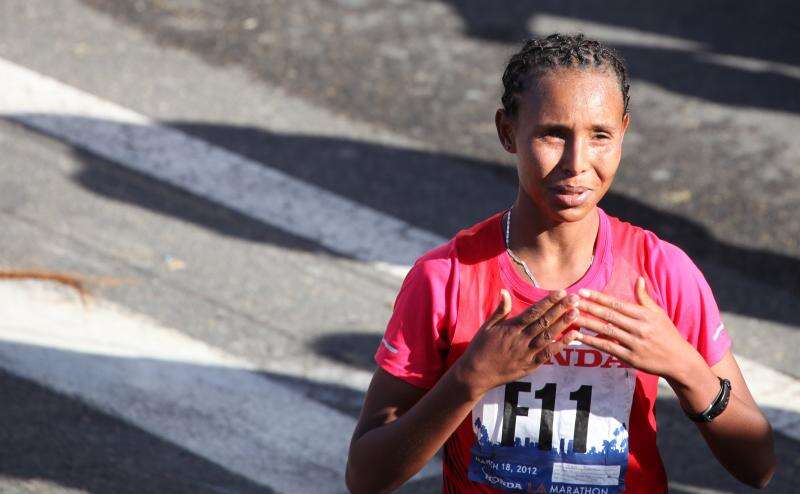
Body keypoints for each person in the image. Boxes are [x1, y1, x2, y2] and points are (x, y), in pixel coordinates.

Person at [345, 34, 776, 494]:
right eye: (553, 134)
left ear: (624, 133)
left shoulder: (661, 273)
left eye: (600, 136)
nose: (576, 162)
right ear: (507, 132)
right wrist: (468, 381)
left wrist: (685, 367)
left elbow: (759, 467)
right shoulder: (446, 277)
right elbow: (367, 477)